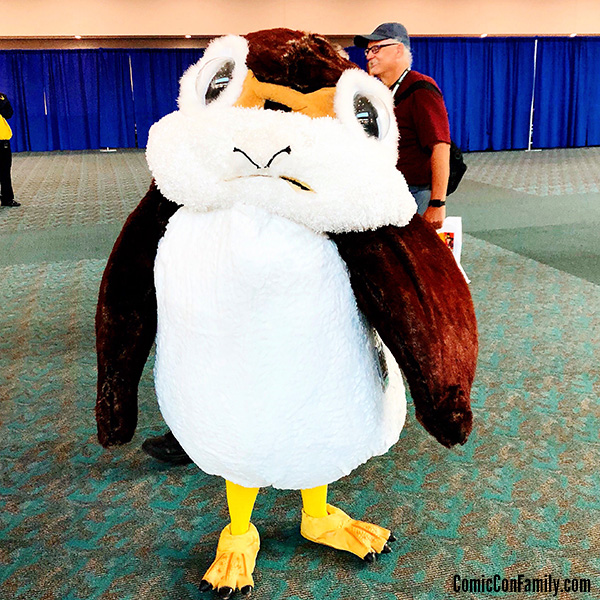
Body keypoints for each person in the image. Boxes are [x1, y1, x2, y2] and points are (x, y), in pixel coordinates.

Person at [354, 23, 450, 229]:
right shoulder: (378, 91)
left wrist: (437, 203)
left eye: (376, 49)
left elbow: (440, 146)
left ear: (398, 49)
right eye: (368, 50)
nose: (369, 56)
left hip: (416, 193)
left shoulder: (421, 88)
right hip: (387, 191)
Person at [0, 92, 19, 207]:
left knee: (5, 171)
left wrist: (5, 102)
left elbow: (8, 114)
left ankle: (7, 199)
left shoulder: (1, 98)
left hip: (3, 141)